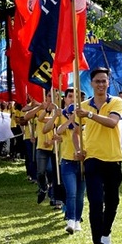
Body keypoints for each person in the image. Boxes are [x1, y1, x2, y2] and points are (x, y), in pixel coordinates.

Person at [75, 68, 122, 244]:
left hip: (113, 158)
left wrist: (88, 115)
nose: (101, 85)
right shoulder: (83, 106)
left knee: (112, 202)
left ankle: (106, 233)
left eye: (104, 81)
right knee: (96, 202)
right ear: (91, 83)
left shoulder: (116, 102)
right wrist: (79, 148)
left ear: (108, 82)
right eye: (97, 81)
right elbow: (75, 132)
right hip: (93, 158)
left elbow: (112, 122)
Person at [47, 88, 84, 234]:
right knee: (72, 192)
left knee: (80, 194)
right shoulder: (62, 114)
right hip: (67, 159)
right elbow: (54, 130)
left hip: (82, 159)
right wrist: (67, 118)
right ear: (65, 98)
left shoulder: (83, 114)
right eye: (70, 96)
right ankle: (70, 219)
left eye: (76, 97)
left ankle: (77, 220)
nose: (73, 99)